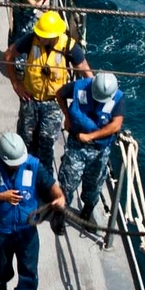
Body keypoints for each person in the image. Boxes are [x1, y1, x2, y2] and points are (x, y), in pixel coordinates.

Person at [0, 131, 64, 290]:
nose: (17, 165)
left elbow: (52, 187)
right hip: (0, 229)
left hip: (26, 230)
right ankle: (0, 287)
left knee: (29, 265)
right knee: (2, 264)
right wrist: (2, 196)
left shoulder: (33, 165)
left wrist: (60, 198)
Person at [3, 10, 91, 177]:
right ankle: (22, 174)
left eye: (44, 36)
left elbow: (86, 73)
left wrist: (91, 102)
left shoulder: (69, 47)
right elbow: (8, 56)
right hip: (29, 98)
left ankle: (44, 180)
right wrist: (16, 84)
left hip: (54, 103)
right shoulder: (30, 40)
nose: (40, 38)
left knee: (46, 144)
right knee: (25, 140)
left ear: (54, 36)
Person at [57, 70, 125, 219]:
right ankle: (61, 213)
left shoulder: (118, 98)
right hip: (76, 145)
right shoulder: (79, 86)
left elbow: (116, 125)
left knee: (94, 184)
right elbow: (60, 94)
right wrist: (67, 117)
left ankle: (87, 212)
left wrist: (90, 136)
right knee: (68, 181)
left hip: (99, 149)